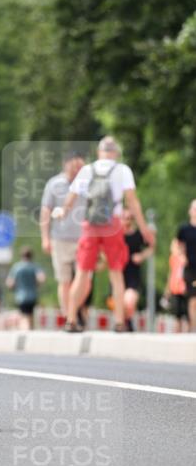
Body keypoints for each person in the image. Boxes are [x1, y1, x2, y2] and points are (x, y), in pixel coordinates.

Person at [55, 136, 155, 333]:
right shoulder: (122, 170)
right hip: (113, 225)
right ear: (116, 153)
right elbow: (133, 202)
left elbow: (71, 197)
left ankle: (71, 319)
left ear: (99, 152)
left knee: (82, 273)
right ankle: (119, 322)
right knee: (116, 274)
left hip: (90, 225)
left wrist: (63, 212)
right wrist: (144, 230)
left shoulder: (87, 170)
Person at [40, 152, 85, 317]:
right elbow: (46, 211)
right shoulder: (54, 184)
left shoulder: (86, 183)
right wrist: (45, 238)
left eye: (80, 167)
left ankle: (75, 309)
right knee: (64, 280)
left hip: (83, 239)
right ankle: (69, 316)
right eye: (75, 167)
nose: (77, 170)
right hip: (60, 239)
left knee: (85, 280)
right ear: (66, 164)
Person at [121, 209, 153, 331]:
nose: (127, 221)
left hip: (133, 273)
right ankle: (124, 321)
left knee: (129, 300)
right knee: (120, 301)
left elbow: (151, 247)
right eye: (124, 218)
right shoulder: (117, 235)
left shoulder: (138, 235)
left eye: (129, 218)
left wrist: (141, 256)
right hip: (119, 273)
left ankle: (127, 321)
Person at [6, 248, 45, 330]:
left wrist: (15, 287)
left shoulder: (16, 267)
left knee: (23, 316)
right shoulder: (34, 266)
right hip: (32, 295)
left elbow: (9, 283)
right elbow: (42, 278)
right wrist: (35, 284)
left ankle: (26, 332)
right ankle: (29, 330)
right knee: (30, 315)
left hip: (21, 296)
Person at [176, 198, 196, 332]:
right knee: (193, 299)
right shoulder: (184, 229)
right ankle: (194, 328)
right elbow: (178, 245)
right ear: (190, 211)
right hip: (191, 268)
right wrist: (182, 256)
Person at [161, 238, 188, 333]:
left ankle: (187, 333)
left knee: (186, 314)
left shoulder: (185, 258)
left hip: (184, 288)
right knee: (177, 314)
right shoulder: (172, 258)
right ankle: (178, 333)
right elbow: (171, 273)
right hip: (174, 288)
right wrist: (167, 289)